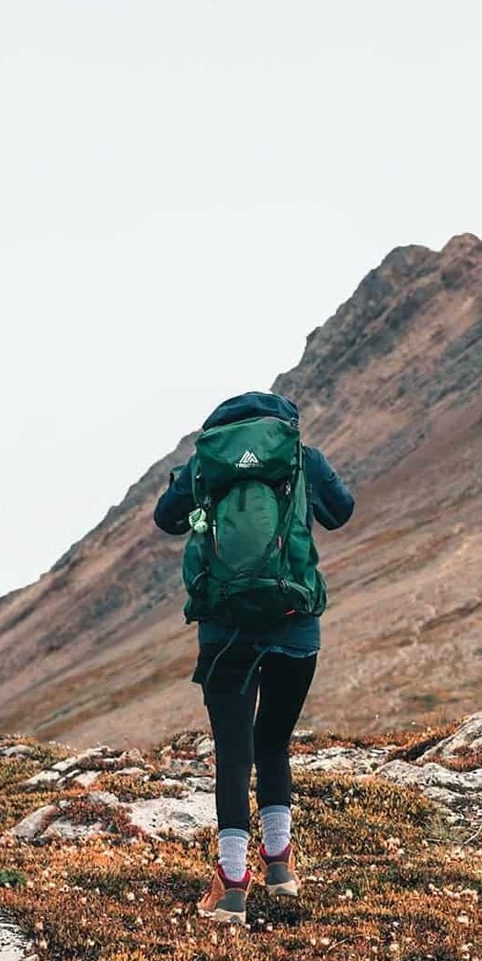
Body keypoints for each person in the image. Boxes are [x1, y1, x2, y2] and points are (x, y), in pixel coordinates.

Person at [152, 391, 354, 927]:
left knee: (234, 754)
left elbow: (165, 519)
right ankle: (281, 867)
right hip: (295, 623)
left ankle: (233, 884)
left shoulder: (204, 463)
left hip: (225, 630)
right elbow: (343, 512)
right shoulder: (301, 458)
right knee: (274, 743)